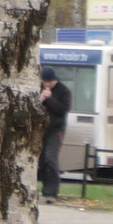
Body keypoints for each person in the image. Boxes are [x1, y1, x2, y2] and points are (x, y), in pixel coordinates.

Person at [38, 65, 71, 200]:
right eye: (44, 82)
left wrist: (50, 99)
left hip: (56, 129)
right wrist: (40, 100)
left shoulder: (63, 91)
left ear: (53, 80)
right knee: (41, 160)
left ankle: (52, 191)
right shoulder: (39, 89)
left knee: (50, 157)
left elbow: (62, 110)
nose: (46, 85)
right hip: (41, 129)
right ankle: (45, 188)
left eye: (48, 82)